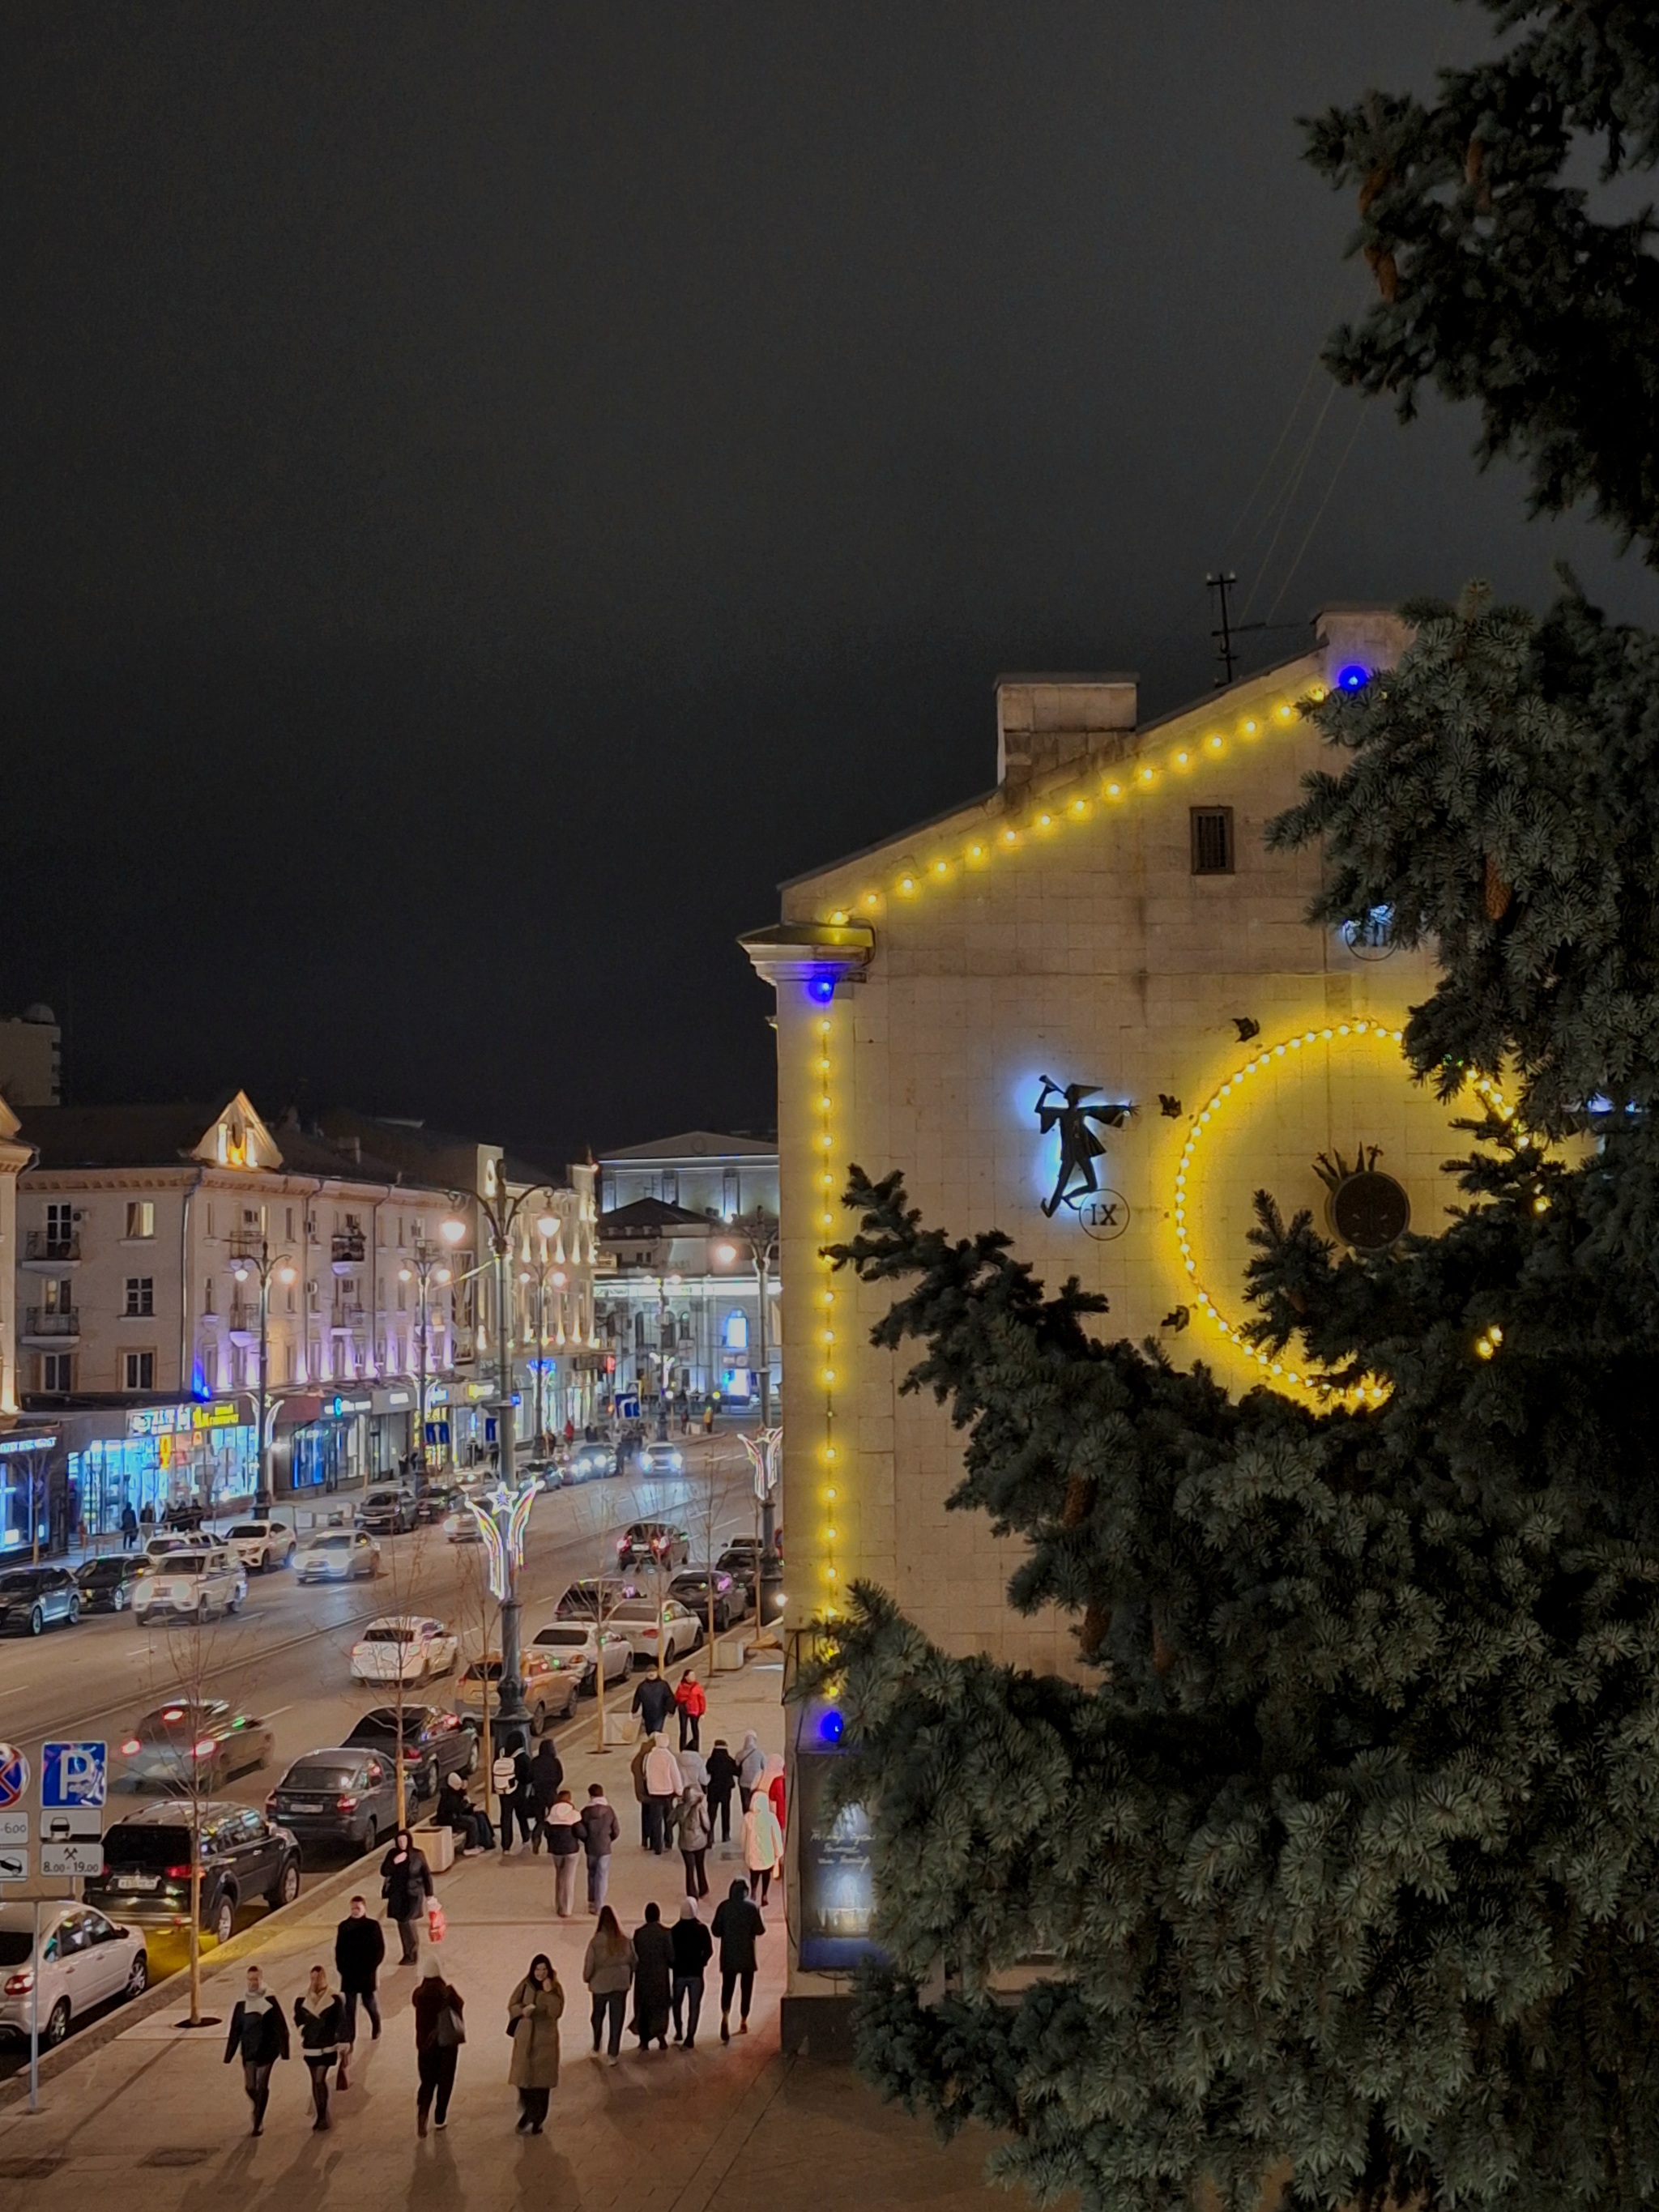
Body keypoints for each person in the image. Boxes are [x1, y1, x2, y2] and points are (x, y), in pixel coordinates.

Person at [223, 1963, 289, 2135]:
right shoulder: (241, 2002)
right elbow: (235, 2028)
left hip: (267, 2050)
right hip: (249, 2050)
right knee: (250, 2086)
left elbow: (280, 2026)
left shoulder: (270, 1999)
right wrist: (229, 2054)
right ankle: (257, 2105)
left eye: (256, 1979)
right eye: (250, 1979)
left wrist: (284, 2051)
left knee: (261, 2085)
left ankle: (258, 2122)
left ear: (261, 1979)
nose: (253, 1983)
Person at [507, 1953, 564, 2132]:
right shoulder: (525, 1984)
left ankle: (537, 2120)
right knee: (524, 2083)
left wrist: (547, 1994)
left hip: (544, 2042)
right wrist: (523, 2010)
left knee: (541, 2086)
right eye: (537, 1969)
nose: (540, 1973)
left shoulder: (555, 1989)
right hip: (525, 2040)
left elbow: (556, 2011)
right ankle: (528, 2114)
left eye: (544, 1969)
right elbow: (512, 2004)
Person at [333, 1894, 386, 2084]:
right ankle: (350, 2037)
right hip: (349, 1975)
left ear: (364, 1908)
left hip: (366, 1973)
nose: (355, 1911)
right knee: (349, 2008)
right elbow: (338, 1950)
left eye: (358, 1908)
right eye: (353, 1908)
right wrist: (341, 1968)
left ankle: (376, 2023)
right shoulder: (344, 1927)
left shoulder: (372, 1926)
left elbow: (379, 1949)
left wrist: (372, 1967)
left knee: (369, 2002)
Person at [412, 1954, 465, 2136]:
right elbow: (460, 2008)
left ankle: (422, 2112)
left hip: (426, 2046)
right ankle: (440, 2117)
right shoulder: (449, 1993)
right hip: (447, 2046)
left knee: (427, 2082)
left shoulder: (418, 1995)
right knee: (445, 2082)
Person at [712, 1878, 766, 2043]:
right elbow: (760, 1929)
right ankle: (743, 2020)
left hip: (728, 1956)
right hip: (747, 1956)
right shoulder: (751, 1908)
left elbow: (715, 1930)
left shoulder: (724, 1907)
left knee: (727, 1987)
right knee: (746, 1988)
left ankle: (725, 2014)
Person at [292, 1964, 345, 2132]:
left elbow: (341, 2021)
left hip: (327, 2046)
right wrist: (303, 2031)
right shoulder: (302, 2000)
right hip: (310, 2047)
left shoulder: (334, 1998)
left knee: (319, 2079)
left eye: (318, 1978)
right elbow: (298, 2018)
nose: (315, 1981)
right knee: (315, 2080)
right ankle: (321, 2114)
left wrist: (342, 2041)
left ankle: (322, 2116)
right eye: (313, 1978)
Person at [582, 1905, 635, 2065]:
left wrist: (587, 1978)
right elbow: (634, 1961)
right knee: (616, 2019)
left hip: (600, 1984)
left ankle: (597, 2045)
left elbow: (590, 1964)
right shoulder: (625, 1940)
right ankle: (613, 2053)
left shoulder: (596, 1941)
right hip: (620, 1984)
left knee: (597, 2015)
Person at [382, 1829, 433, 1964]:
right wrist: (394, 1862)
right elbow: (384, 1871)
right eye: (399, 1841)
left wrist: (429, 1895)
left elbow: (426, 1875)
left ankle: (412, 1953)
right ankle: (409, 1952)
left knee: (408, 1921)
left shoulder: (417, 1855)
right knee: (402, 1923)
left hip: (413, 1894)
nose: (402, 1843)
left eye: (404, 1840)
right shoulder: (392, 1854)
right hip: (397, 1894)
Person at [630, 1901, 675, 2051]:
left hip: (643, 1977)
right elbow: (671, 1956)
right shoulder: (665, 1933)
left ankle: (644, 2041)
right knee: (660, 2007)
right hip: (660, 1978)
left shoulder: (639, 1934)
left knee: (643, 2007)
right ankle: (661, 2035)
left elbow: (634, 1956)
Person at [671, 1895, 713, 2048]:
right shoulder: (702, 1929)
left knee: (677, 2004)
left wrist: (673, 1965)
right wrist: (702, 1962)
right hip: (696, 1973)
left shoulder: (675, 1930)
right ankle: (690, 2035)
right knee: (694, 2006)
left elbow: (671, 1953)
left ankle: (678, 2030)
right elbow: (709, 1950)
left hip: (679, 1974)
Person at [578, 1782, 620, 1913]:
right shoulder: (609, 1811)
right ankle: (599, 1904)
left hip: (591, 1847)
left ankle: (591, 1901)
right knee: (602, 1875)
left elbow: (581, 1830)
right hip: (605, 1848)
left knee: (591, 1874)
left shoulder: (585, 1811)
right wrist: (608, 1840)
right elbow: (616, 1830)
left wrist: (586, 1839)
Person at [544, 1787, 583, 1916]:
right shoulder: (574, 1814)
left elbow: (547, 1833)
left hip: (556, 1850)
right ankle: (567, 1909)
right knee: (569, 1878)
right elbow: (581, 1832)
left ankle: (559, 1906)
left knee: (559, 1877)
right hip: (571, 1850)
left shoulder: (551, 1814)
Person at [742, 1788, 783, 1905]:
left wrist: (744, 1849)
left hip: (752, 1853)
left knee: (753, 1874)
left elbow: (743, 1836)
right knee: (766, 1875)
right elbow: (776, 1835)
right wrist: (779, 1852)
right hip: (767, 1853)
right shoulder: (771, 1818)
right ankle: (764, 1895)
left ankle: (753, 1891)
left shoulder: (748, 1817)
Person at [672, 1777, 711, 1898]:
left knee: (689, 1869)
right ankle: (703, 1888)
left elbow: (670, 1820)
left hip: (685, 1842)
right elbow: (707, 1825)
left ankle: (691, 1893)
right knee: (700, 1865)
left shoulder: (679, 1808)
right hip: (699, 1841)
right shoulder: (699, 1808)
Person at [644, 1733, 682, 1856]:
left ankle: (657, 1846)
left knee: (656, 1820)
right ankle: (668, 1841)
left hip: (654, 1792)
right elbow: (675, 1775)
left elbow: (646, 1773)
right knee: (668, 1819)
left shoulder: (649, 1756)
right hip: (668, 1793)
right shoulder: (669, 1757)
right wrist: (679, 1791)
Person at [436, 1770, 491, 1852]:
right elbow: (458, 1809)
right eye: (458, 1785)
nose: (460, 1786)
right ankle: (470, 1846)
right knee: (472, 1822)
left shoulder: (456, 1792)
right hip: (450, 1819)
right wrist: (470, 1807)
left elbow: (461, 1807)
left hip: (455, 1816)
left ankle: (486, 1840)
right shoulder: (449, 1796)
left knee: (479, 1814)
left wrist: (471, 1806)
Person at [528, 1737, 564, 1851]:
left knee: (540, 1819)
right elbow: (560, 1777)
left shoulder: (535, 1761)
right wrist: (554, 1786)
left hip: (538, 1793)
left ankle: (536, 1835)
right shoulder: (555, 1761)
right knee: (553, 1817)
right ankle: (551, 1841)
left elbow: (530, 1776)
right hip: (551, 1793)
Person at [706, 1737, 739, 1845]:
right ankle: (726, 1835)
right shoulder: (729, 1760)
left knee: (711, 1814)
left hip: (713, 1790)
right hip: (726, 1790)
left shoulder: (711, 1761)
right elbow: (737, 1771)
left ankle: (710, 1837)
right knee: (726, 1812)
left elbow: (707, 1771)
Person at [493, 1745, 524, 1852]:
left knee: (506, 1816)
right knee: (521, 1814)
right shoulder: (521, 1757)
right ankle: (525, 1836)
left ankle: (506, 1844)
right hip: (517, 1791)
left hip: (502, 1792)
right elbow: (527, 1776)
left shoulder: (501, 1754)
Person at [631, 1667, 676, 1738]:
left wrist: (671, 1710)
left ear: (657, 1673)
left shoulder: (663, 1685)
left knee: (657, 1732)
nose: (651, 1673)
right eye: (649, 1672)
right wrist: (634, 1710)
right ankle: (653, 1745)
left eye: (653, 1671)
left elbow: (669, 1698)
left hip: (660, 1713)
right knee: (650, 1732)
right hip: (647, 1714)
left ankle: (656, 1745)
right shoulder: (642, 1686)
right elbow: (637, 1698)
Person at [629, 1733, 653, 1848]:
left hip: (642, 1792)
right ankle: (654, 1839)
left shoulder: (639, 1757)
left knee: (645, 1815)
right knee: (655, 1815)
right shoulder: (652, 1757)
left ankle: (645, 1838)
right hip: (653, 1792)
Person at [674, 1669, 706, 1752]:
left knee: (695, 1728)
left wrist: (702, 1712)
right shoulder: (681, 1686)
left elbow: (702, 1699)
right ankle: (682, 1748)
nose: (693, 1677)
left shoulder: (697, 1687)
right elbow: (677, 1697)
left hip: (694, 1710)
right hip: (683, 1709)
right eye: (691, 1675)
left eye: (694, 1675)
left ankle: (696, 1747)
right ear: (686, 1677)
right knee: (683, 1729)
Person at [737, 1728, 764, 1813]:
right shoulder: (760, 1754)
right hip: (757, 1783)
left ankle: (747, 1820)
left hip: (743, 1783)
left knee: (746, 1804)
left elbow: (736, 1767)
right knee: (756, 1804)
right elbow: (764, 1767)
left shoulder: (739, 1754)